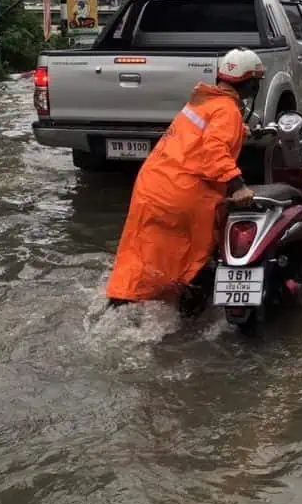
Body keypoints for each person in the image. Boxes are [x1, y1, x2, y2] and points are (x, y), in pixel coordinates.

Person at [106, 48, 264, 310]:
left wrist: (241, 131)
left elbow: (198, 134)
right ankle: (190, 323)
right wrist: (238, 186)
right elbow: (214, 151)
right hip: (185, 192)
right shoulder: (228, 112)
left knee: (141, 252)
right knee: (194, 258)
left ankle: (119, 303)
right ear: (250, 83)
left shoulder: (203, 102)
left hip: (153, 186)